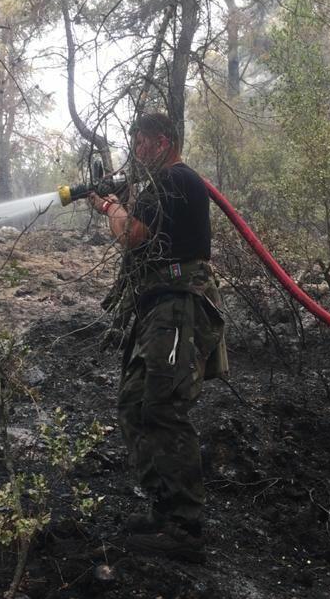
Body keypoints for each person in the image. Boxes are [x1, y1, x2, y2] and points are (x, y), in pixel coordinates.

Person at [88, 112, 228, 562]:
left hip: (177, 306)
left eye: (142, 142)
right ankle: (163, 508)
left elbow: (132, 235)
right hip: (159, 308)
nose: (136, 149)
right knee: (132, 402)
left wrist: (112, 208)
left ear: (162, 142)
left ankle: (185, 527)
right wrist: (125, 199)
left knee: (164, 408)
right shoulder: (162, 187)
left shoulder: (174, 180)